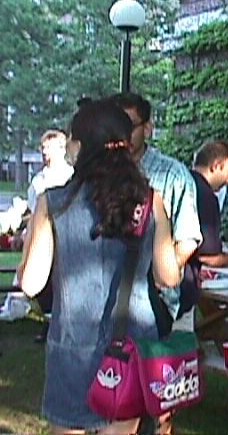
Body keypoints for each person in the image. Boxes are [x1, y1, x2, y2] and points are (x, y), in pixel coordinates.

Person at [18, 99, 180, 435]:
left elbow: (31, 283)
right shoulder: (151, 202)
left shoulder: (53, 202)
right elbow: (168, 276)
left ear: (80, 146)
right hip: (131, 344)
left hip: (72, 345)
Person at [109, 92, 202, 323]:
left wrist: (161, 277)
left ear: (147, 129)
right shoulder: (103, 173)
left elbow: (188, 238)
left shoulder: (173, 175)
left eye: (129, 126)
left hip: (152, 300)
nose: (122, 135)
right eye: (115, 127)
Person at [180, 140, 228, 324]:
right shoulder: (205, 195)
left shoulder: (179, 183)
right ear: (216, 166)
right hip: (180, 284)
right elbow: (208, 255)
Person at [24, 129, 74, 342]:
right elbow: (32, 212)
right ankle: (49, 323)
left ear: (62, 148)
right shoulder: (38, 181)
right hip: (43, 238)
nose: (44, 152)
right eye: (42, 148)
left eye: (48, 147)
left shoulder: (71, 177)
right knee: (43, 285)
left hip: (67, 238)